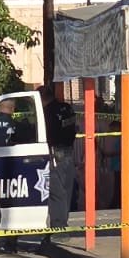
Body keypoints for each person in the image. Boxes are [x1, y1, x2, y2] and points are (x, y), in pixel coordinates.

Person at [39, 84, 79, 241]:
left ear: (42, 99)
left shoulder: (47, 113)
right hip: (68, 153)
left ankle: (58, 228)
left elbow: (48, 135)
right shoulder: (67, 108)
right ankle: (61, 225)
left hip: (55, 155)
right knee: (66, 191)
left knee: (56, 193)